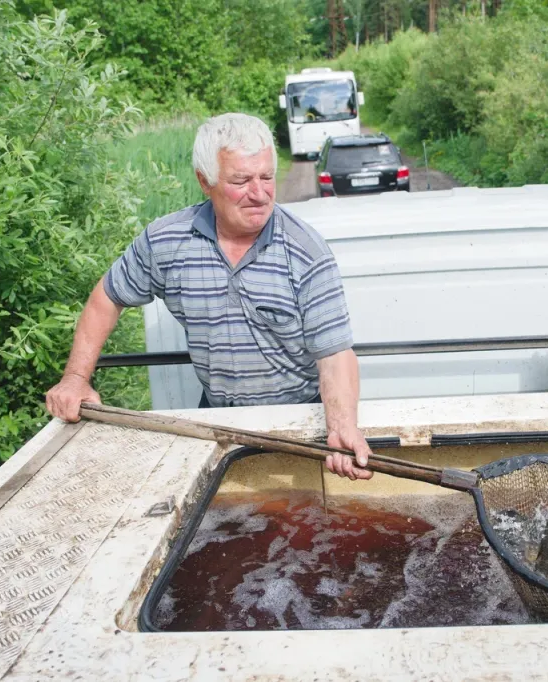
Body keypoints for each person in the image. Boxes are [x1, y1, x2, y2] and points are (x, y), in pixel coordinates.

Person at [45, 113, 372, 480]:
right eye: (240, 180)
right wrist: (75, 378)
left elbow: (335, 354)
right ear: (205, 181)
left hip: (297, 419)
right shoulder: (166, 242)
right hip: (217, 418)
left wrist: (341, 426)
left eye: (266, 177)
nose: (259, 193)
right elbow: (106, 298)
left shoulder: (306, 251)